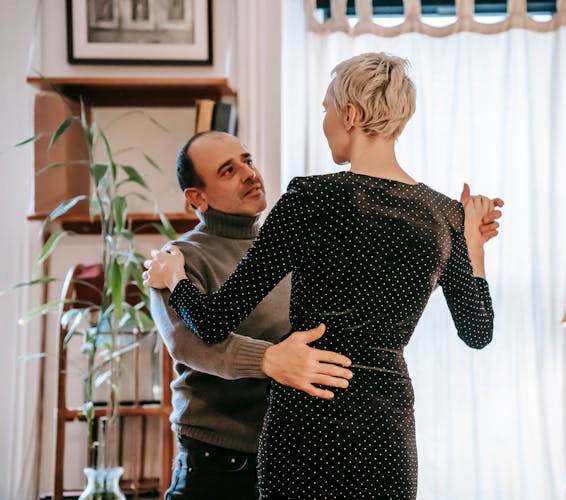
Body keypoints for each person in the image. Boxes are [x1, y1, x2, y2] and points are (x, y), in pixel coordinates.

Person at [145, 52, 503, 499]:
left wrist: (176, 278)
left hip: (308, 424)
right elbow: (478, 332)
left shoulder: (310, 198)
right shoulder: (447, 214)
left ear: (350, 114)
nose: (326, 121)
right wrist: (474, 245)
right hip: (386, 430)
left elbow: (213, 321)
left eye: (326, 110)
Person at [151, 131, 358, 500]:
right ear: (197, 197)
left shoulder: (285, 246)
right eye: (228, 171)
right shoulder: (177, 260)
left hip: (295, 456)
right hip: (221, 463)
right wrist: (268, 359)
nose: (250, 174)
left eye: (247, 160)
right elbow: (191, 343)